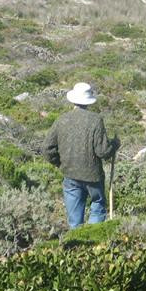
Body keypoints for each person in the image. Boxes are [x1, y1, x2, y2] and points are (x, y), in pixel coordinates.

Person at [43, 82, 119, 229]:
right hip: (93, 176)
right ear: (89, 101)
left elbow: (47, 149)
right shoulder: (96, 120)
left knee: (74, 221)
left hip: (70, 175)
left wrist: (61, 164)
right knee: (97, 205)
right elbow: (103, 151)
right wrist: (114, 145)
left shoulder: (62, 119)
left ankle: (77, 240)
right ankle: (95, 237)